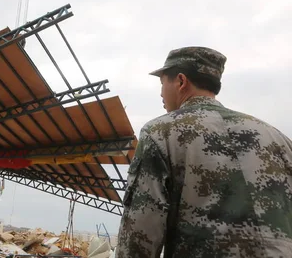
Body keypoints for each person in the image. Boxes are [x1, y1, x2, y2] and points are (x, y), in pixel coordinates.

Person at [116, 46, 292, 257]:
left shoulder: (160, 133)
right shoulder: (278, 139)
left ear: (181, 81)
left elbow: (140, 236)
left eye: (162, 83)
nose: (161, 93)